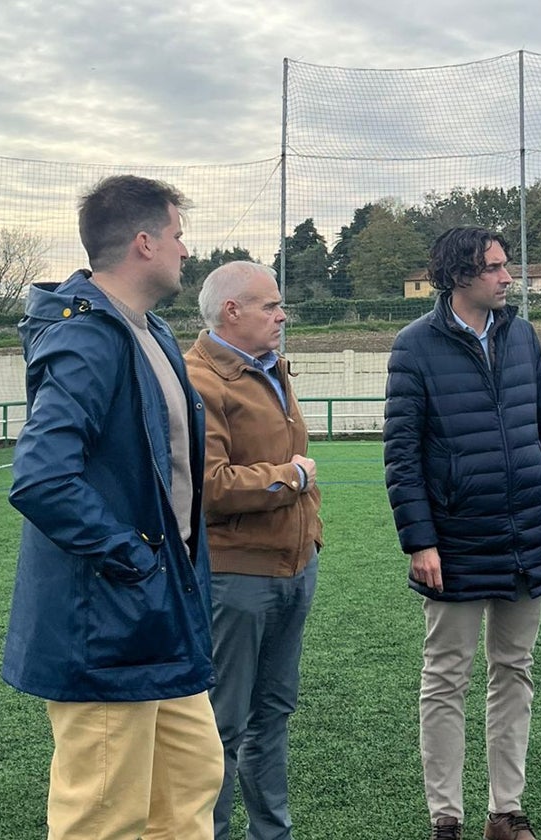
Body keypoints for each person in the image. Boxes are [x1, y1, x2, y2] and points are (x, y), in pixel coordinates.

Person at [2, 174, 222, 840]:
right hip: (109, 624)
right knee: (104, 815)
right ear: (145, 242)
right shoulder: (87, 336)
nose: (188, 251)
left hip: (162, 618)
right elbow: (41, 478)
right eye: (179, 236)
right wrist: (136, 559)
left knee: (189, 788)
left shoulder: (146, 331)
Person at [383, 226, 541, 840]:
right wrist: (421, 541)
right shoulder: (414, 346)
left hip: (527, 535)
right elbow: (402, 455)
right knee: (446, 678)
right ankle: (447, 818)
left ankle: (507, 812)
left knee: (514, 670)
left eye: (506, 266)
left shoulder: (522, 335)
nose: (507, 277)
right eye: (495, 267)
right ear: (459, 275)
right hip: (455, 540)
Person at [184, 261, 322, 840]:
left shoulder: (270, 367)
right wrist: (291, 477)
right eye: (271, 305)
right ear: (232, 311)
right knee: (221, 726)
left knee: (273, 716)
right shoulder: (198, 379)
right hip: (236, 579)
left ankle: (271, 834)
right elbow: (209, 486)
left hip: (294, 568)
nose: (282, 315)